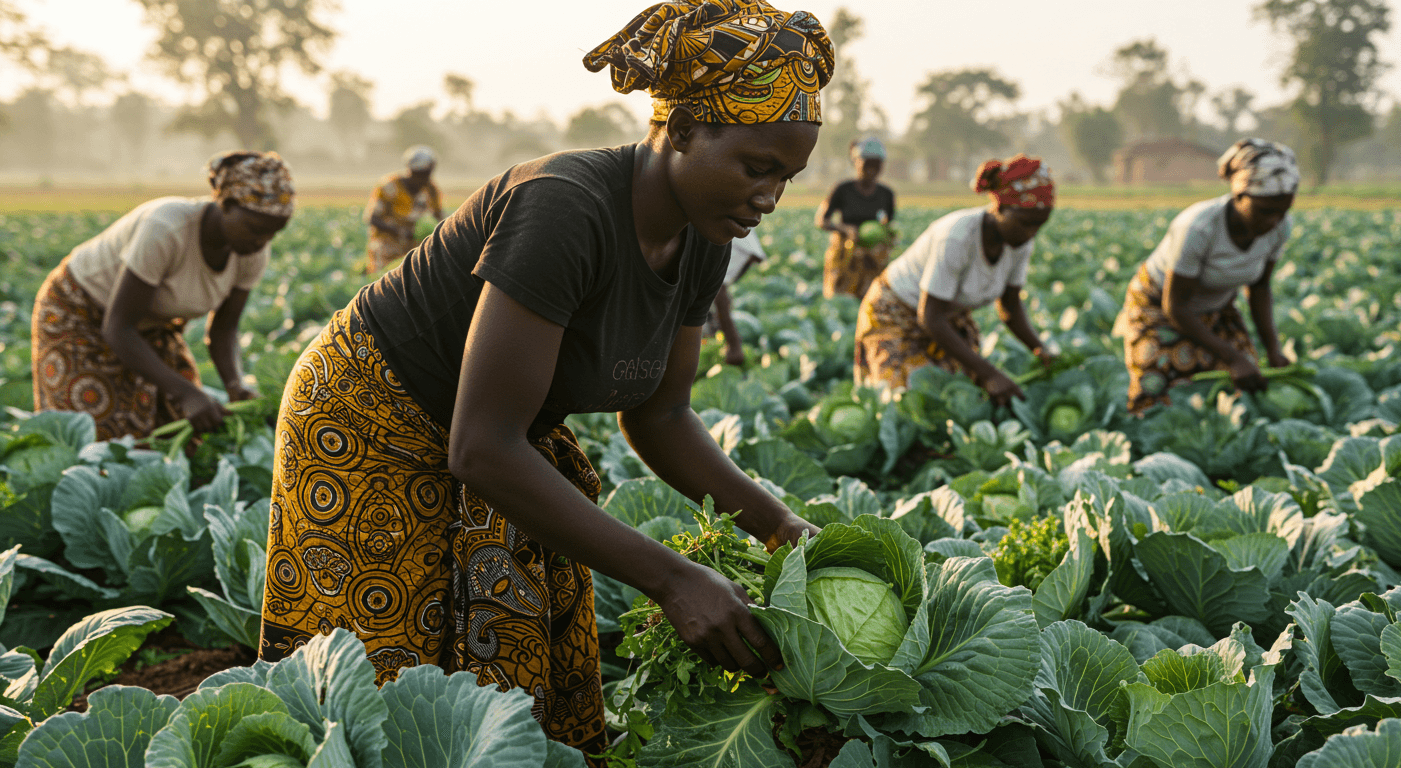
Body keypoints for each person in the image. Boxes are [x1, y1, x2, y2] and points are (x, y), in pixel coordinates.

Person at [258, 0, 832, 759]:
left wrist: (782, 527)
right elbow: (482, 448)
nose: (770, 198)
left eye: (787, 177)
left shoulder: (704, 241)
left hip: (497, 437)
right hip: (367, 417)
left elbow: (661, 417)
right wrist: (673, 579)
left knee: (510, 675)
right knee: (385, 689)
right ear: (685, 129)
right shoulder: (565, 205)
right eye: (757, 168)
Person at [32, 152, 293, 440]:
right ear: (228, 205)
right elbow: (118, 328)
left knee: (177, 430)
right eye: (255, 229)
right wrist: (185, 393)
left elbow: (224, 328)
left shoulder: (251, 252)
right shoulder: (167, 228)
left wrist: (235, 385)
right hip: (79, 312)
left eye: (273, 234)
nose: (262, 242)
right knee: (98, 432)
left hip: (149, 326)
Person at [854, 155, 1054, 405]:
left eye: (1039, 225)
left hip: (944, 319)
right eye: (1025, 223)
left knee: (957, 398)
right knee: (908, 402)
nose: (1031, 233)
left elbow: (1010, 306)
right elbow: (930, 316)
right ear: (1000, 207)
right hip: (893, 313)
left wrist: (1041, 349)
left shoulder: (1020, 244)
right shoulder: (957, 236)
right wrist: (989, 374)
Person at [1117, 138, 1297, 414]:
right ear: (1239, 195)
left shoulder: (1280, 228)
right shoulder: (1198, 227)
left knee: (1244, 381)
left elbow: (1259, 288)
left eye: (1282, 211)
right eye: (1264, 211)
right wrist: (1232, 358)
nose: (1273, 221)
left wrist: (1274, 349)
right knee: (1159, 385)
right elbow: (1175, 307)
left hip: (1217, 307)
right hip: (1159, 305)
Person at [816, 136, 896, 298]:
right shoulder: (842, 189)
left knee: (870, 298)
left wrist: (886, 237)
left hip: (872, 258)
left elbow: (888, 225)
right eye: (868, 163)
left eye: (876, 164)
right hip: (844, 255)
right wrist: (845, 229)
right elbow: (822, 220)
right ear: (856, 162)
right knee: (841, 298)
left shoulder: (886, 194)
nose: (872, 169)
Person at [363, 145, 444, 274]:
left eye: (426, 174)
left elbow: (439, 217)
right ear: (410, 170)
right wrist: (399, 231)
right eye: (419, 174)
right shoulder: (389, 186)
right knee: (382, 279)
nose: (423, 178)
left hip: (412, 247)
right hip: (386, 245)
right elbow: (372, 218)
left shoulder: (430, 190)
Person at [710, 229, 769, 365]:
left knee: (718, 289)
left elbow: (719, 292)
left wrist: (733, 345)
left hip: (739, 245)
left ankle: (733, 346)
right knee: (717, 290)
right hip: (743, 243)